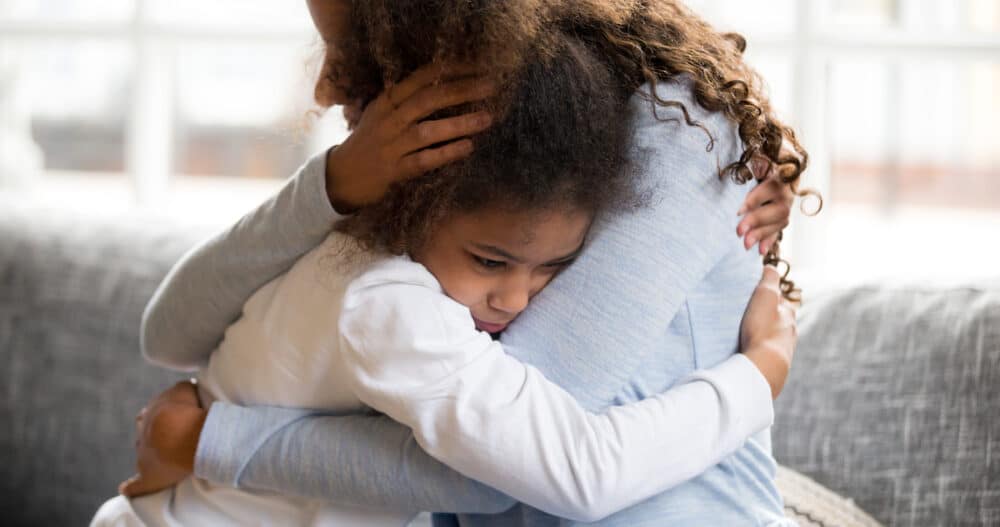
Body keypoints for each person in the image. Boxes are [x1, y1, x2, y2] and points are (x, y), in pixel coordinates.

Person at [119, 1, 807, 525]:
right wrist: (331, 184)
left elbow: (515, 464)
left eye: (349, 47)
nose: (325, 89)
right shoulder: (439, 178)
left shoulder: (676, 124)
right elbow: (168, 334)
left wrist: (213, 440)